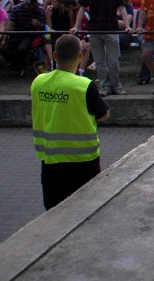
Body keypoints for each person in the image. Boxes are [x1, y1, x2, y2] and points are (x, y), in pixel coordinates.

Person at [31, 34, 109, 210]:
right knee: (87, 210)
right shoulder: (84, 85)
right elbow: (104, 115)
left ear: (55, 56)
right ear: (80, 56)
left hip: (51, 161)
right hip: (83, 162)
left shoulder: (38, 82)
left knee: (53, 210)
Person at [71, 0, 133, 97]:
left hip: (111, 29)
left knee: (113, 61)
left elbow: (122, 9)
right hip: (95, 29)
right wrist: (76, 26)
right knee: (99, 61)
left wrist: (127, 25)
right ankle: (105, 86)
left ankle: (116, 85)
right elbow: (81, 8)